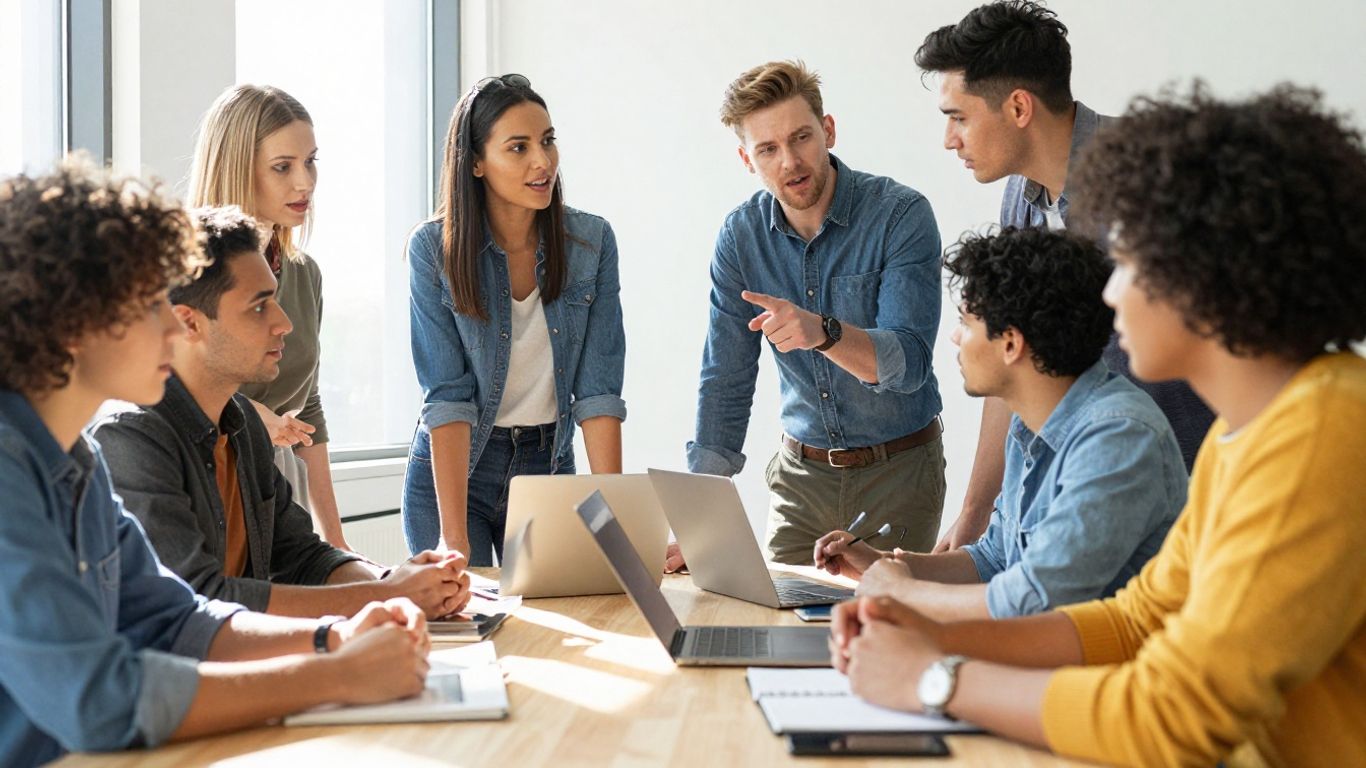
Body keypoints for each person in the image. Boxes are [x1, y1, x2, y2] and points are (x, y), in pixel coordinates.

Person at [830, 85, 1366, 767]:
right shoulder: (1251, 435)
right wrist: (923, 631)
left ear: (1201, 276)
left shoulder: (1322, 432)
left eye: (1130, 264)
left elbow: (1173, 717)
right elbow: (1136, 620)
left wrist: (934, 678)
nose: (1110, 294)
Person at [0, 157, 433, 767]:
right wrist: (336, 676)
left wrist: (335, 637)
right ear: (75, 320)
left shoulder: (79, 459)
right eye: (151, 303)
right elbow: (99, 700)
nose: (174, 332)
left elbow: (179, 621)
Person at [914, 0, 1213, 552]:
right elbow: (1013, 361)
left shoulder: (1151, 176)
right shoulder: (1020, 200)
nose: (949, 140)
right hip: (1093, 498)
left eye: (958, 117)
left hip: (1196, 495)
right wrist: (976, 516)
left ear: (1019, 107)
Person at [95, 206, 471, 619]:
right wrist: (387, 596)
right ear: (189, 324)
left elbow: (302, 555)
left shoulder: (243, 426)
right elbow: (196, 600)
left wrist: (393, 583)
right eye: (259, 306)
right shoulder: (130, 438)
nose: (284, 323)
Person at [812, 227, 1184, 621]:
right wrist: (884, 564)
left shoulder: (1119, 437)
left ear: (1011, 344)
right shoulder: (1029, 425)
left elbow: (1037, 598)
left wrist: (904, 591)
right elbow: (994, 559)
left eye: (967, 322)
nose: (956, 338)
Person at [684, 60, 945, 569]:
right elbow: (726, 378)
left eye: (801, 137)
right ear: (746, 159)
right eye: (768, 149)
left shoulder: (900, 215)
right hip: (799, 481)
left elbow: (908, 363)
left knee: (885, 637)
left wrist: (822, 332)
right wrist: (696, 520)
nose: (790, 161)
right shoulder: (740, 239)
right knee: (772, 630)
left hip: (899, 473)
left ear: (828, 130)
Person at [404, 74, 626, 566]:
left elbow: (598, 392)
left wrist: (614, 522)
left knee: (564, 630)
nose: (542, 161)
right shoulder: (432, 251)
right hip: (456, 478)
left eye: (547, 141)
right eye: (518, 147)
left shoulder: (591, 244)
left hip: (547, 471)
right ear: (477, 162)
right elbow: (447, 399)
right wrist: (454, 539)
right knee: (469, 632)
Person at [188, 84, 351, 550]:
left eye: (311, 161)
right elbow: (165, 391)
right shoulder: (185, 272)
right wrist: (253, 416)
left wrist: (336, 539)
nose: (306, 182)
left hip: (280, 488)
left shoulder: (305, 275)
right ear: (237, 169)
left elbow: (311, 410)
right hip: (207, 482)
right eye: (283, 167)